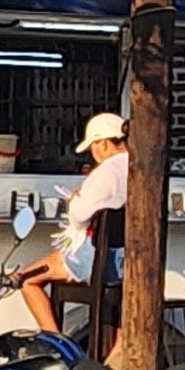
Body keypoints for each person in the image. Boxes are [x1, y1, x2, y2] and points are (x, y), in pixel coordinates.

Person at [16, 111, 131, 336]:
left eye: (93, 148)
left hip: (101, 262)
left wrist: (75, 201)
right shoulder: (143, 168)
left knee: (26, 278)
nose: (93, 154)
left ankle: (55, 342)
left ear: (104, 144)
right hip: (131, 263)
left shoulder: (104, 173)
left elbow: (79, 217)